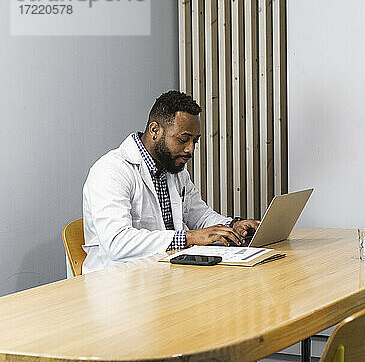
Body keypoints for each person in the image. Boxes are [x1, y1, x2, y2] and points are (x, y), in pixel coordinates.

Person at [82, 91, 259, 273]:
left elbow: (200, 217)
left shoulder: (175, 169)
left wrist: (232, 226)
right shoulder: (111, 171)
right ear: (155, 130)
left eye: (194, 141)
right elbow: (117, 243)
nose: (190, 149)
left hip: (164, 275)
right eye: (183, 139)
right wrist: (188, 238)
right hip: (116, 285)